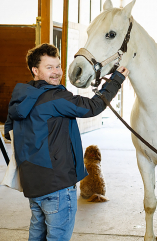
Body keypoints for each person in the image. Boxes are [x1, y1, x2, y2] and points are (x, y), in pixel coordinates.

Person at [4, 43, 129, 240]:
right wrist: (116, 79)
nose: (56, 72)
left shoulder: (21, 96)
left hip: (33, 186)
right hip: (57, 187)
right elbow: (93, 107)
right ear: (35, 70)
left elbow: (8, 131)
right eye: (49, 67)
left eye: (58, 66)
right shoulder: (55, 97)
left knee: (36, 235)